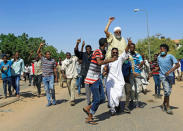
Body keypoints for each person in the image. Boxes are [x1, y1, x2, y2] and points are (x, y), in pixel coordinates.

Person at [83, 38, 117, 124]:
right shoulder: (97, 51)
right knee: (97, 100)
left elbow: (102, 63)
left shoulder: (102, 52)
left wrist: (105, 69)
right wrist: (111, 60)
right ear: (104, 44)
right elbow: (98, 62)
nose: (108, 44)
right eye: (107, 43)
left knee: (102, 98)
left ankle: (88, 108)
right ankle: (90, 116)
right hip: (92, 78)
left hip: (97, 77)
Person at [104, 39, 131, 116]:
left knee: (119, 95)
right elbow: (105, 67)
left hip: (119, 81)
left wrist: (128, 45)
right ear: (111, 53)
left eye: (116, 52)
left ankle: (117, 105)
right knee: (110, 95)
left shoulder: (120, 59)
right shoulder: (108, 60)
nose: (115, 53)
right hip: (110, 81)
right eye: (114, 52)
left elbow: (125, 52)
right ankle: (113, 110)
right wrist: (105, 70)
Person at [157, 44, 180, 114]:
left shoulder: (170, 56)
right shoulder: (159, 57)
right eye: (160, 49)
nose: (161, 51)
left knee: (168, 92)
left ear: (166, 50)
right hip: (163, 76)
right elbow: (159, 67)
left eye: (162, 49)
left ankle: (164, 103)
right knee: (166, 91)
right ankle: (168, 106)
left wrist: (169, 71)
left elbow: (177, 65)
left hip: (170, 76)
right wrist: (152, 71)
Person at [74, 39, 93, 105]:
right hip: (85, 74)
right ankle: (88, 102)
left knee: (93, 87)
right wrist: (78, 44)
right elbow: (76, 52)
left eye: (89, 49)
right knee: (87, 88)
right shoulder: (83, 54)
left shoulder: (93, 54)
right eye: (87, 49)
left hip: (93, 74)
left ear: (91, 49)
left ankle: (94, 98)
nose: (88, 50)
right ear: (85, 49)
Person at [129, 43, 144, 107]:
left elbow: (141, 61)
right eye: (131, 47)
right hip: (130, 74)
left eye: (133, 47)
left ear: (134, 48)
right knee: (132, 89)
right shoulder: (127, 55)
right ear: (129, 48)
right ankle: (132, 100)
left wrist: (140, 65)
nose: (132, 48)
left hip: (137, 74)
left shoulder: (138, 55)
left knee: (137, 89)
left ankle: (136, 101)